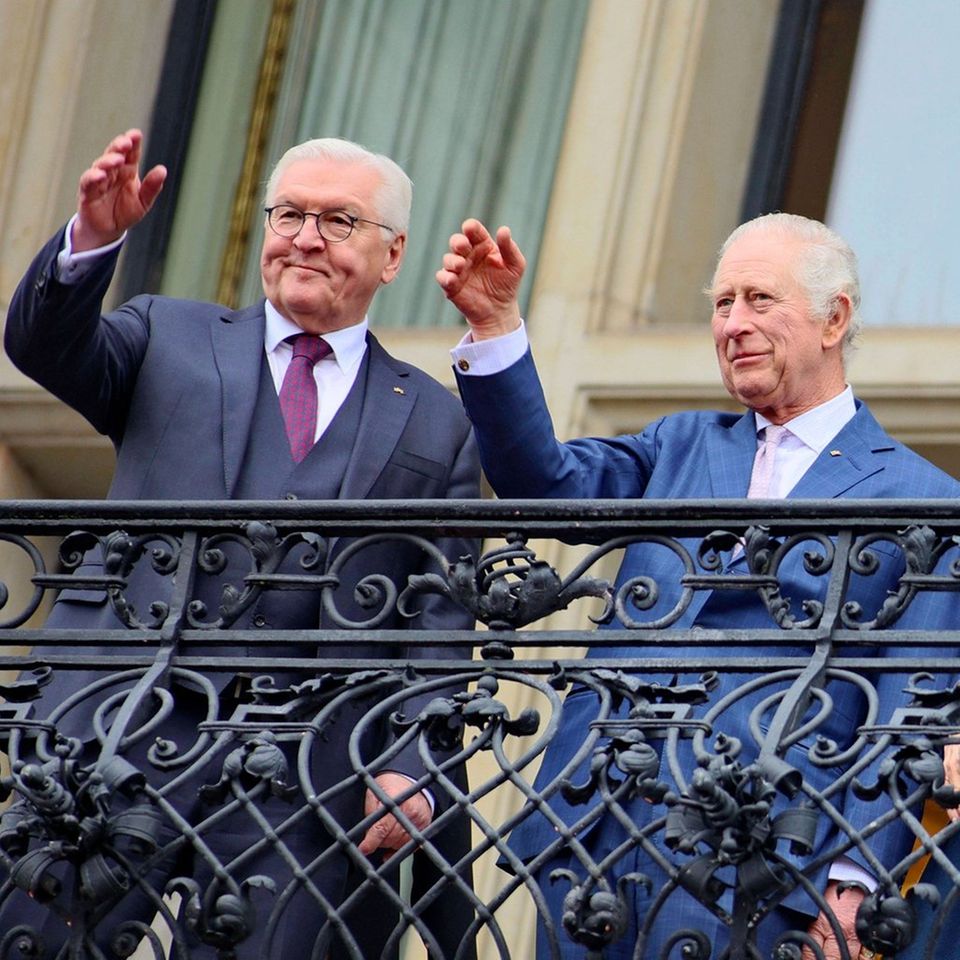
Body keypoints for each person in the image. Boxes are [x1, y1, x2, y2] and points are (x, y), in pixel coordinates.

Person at [2, 129, 480, 959]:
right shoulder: (167, 335)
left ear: (393, 254)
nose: (305, 238)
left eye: (338, 221)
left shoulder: (437, 419)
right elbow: (45, 348)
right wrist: (93, 242)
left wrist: (410, 765)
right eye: (288, 214)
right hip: (116, 729)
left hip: (307, 779)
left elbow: (439, 618)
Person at [435, 212, 960, 959]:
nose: (734, 324)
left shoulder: (923, 498)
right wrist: (494, 328)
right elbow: (544, 484)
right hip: (600, 829)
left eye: (759, 299)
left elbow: (909, 700)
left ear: (834, 318)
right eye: (723, 303)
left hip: (770, 854)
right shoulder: (677, 443)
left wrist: (854, 880)